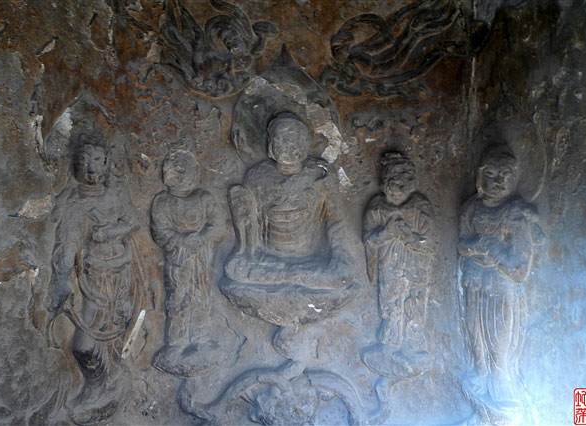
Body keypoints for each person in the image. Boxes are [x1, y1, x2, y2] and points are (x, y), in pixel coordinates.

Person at [221, 112, 358, 329]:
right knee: (234, 269)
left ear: (306, 143)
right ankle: (296, 275)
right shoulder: (256, 176)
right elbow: (249, 231)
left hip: (311, 260)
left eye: (294, 138)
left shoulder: (320, 175)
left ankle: (293, 275)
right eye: (281, 139)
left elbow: (336, 223)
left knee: (343, 275)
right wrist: (243, 220)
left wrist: (340, 254)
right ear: (270, 145)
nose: (288, 145)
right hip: (268, 260)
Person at [48, 139, 137, 424]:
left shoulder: (115, 196)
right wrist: (60, 280)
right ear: (74, 166)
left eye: (97, 161)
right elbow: (65, 244)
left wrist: (109, 233)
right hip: (89, 281)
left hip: (117, 277)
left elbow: (132, 221)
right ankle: (97, 386)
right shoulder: (72, 201)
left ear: (107, 164)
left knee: (116, 329)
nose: (90, 169)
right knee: (84, 345)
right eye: (84, 162)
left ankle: (109, 383)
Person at [458, 145, 545, 423]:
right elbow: (462, 245)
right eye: (491, 174)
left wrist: (492, 250)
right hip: (474, 283)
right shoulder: (471, 208)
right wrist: (480, 246)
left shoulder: (514, 214)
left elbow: (519, 269)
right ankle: (480, 372)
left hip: (501, 287)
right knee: (475, 334)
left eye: (505, 175)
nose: (498, 181)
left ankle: (501, 382)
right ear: (479, 177)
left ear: (515, 179)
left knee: (499, 339)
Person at [150, 150, 229, 378]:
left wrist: (201, 238)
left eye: (187, 170)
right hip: (178, 259)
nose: (182, 175)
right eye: (177, 171)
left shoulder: (204, 199)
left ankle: (201, 337)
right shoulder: (162, 202)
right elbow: (160, 231)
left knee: (201, 296)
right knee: (178, 298)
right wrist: (182, 240)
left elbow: (218, 225)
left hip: (202, 258)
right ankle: (177, 341)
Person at [361, 152, 437, 379]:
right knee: (391, 301)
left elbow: (430, 242)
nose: (398, 187)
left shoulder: (420, 207)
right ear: (384, 182)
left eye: (404, 181)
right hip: (389, 265)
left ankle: (413, 345)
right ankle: (390, 344)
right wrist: (386, 234)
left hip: (415, 267)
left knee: (414, 302)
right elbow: (368, 240)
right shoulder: (376, 208)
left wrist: (410, 237)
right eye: (393, 180)